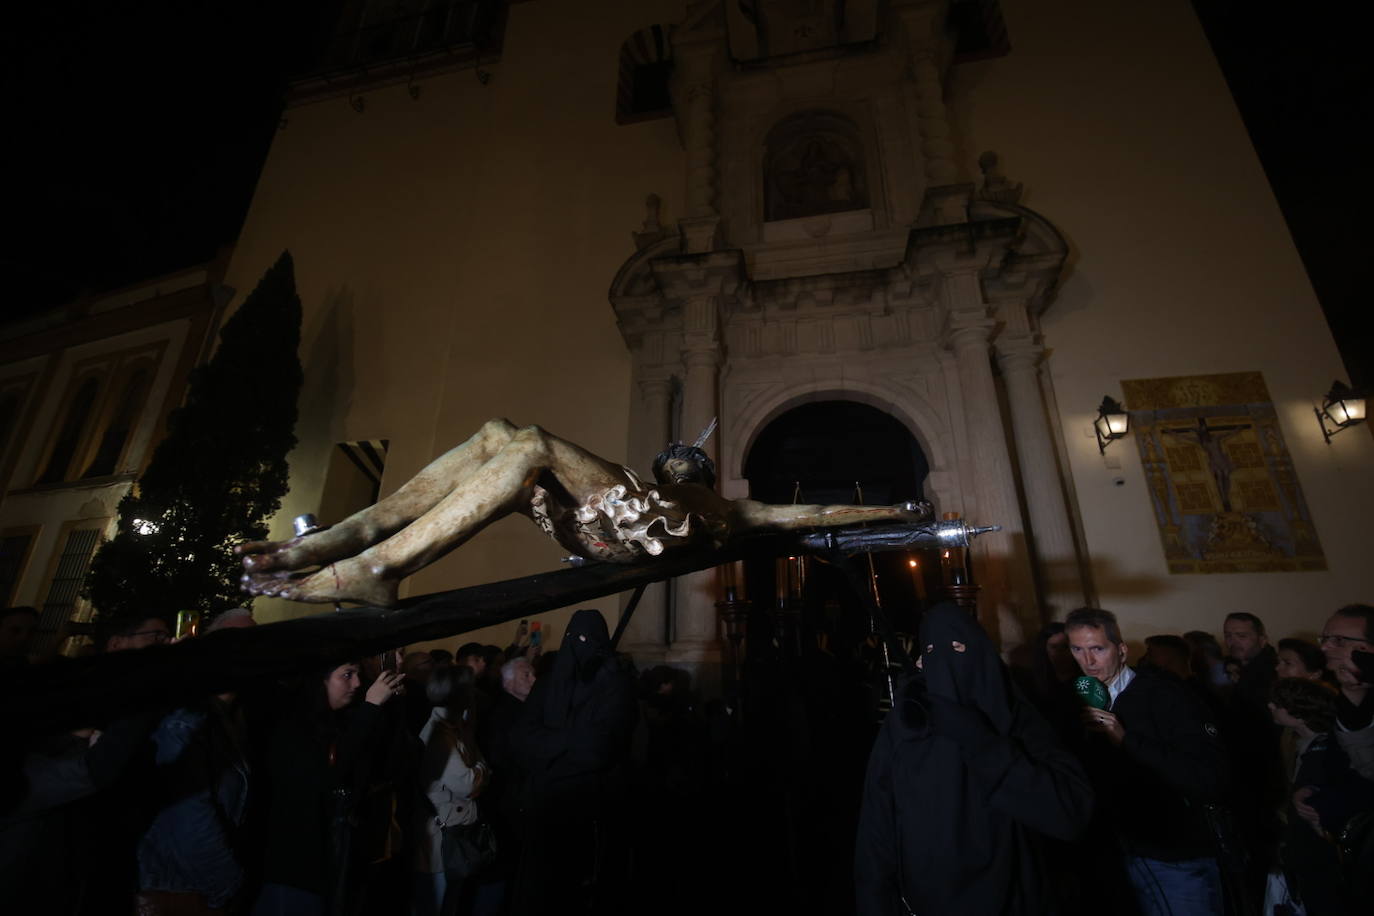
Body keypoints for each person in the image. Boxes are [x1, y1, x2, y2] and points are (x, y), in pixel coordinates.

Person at [237, 418, 933, 606]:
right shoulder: (639, 477)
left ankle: (376, 565)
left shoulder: (719, 505)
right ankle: (353, 537)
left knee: (532, 440)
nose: (678, 459)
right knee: (495, 434)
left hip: (636, 530)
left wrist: (887, 512)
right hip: (597, 516)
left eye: (686, 459)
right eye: (673, 458)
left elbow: (800, 515)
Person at [854, 604, 1093, 915]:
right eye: (932, 650)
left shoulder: (1016, 718)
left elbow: (1069, 812)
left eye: (959, 647)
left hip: (1015, 899)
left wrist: (980, 742)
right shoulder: (905, 728)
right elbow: (877, 828)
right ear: (922, 662)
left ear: (982, 655)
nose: (948, 662)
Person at [1064, 607, 1228, 915]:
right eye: (1077, 649)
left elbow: (1209, 777)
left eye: (1097, 649)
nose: (1088, 661)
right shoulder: (1075, 700)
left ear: (1121, 649)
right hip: (1113, 854)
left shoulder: (1166, 695)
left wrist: (1126, 739)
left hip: (1175, 857)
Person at [509, 609, 637, 915]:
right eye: (574, 638)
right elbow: (521, 740)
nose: (580, 645)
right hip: (545, 810)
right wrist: (571, 739)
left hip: (591, 810)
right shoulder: (547, 685)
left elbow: (599, 749)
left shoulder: (615, 687)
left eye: (587, 639)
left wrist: (551, 746)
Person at [253, 660, 405, 915]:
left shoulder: (338, 721)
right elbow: (323, 779)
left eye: (358, 674)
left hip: (334, 862)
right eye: (347, 675)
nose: (356, 683)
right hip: (296, 867)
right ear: (320, 681)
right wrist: (370, 709)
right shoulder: (292, 728)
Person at [136, 609, 257, 914]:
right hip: (179, 890)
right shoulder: (185, 717)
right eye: (236, 641)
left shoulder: (235, 714)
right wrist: (230, 886)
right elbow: (188, 812)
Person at [1268, 677, 1373, 915]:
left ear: (1300, 712)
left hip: (1320, 858)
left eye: (1278, 703)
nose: (1270, 706)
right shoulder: (1300, 745)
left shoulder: (1324, 751)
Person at [413, 665, 490, 916]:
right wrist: (480, 769)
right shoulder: (441, 736)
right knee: (439, 902)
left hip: (455, 828)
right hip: (443, 833)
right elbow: (468, 783)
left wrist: (478, 770)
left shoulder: (455, 728)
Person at [1320, 604, 1374, 779]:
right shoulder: (1334, 685)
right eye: (1324, 639)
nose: (1324, 648)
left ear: (1367, 649)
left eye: (1338, 640)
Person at [1223, 611, 1278, 704]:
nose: (1233, 642)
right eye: (1228, 636)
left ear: (1262, 640)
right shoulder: (1227, 665)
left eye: (1241, 636)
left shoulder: (1275, 672)